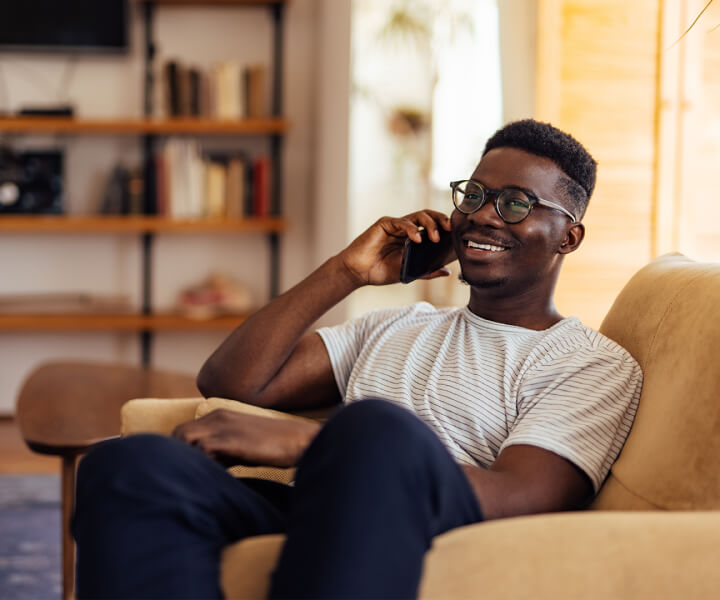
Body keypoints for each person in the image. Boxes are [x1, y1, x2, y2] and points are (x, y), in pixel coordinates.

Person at [73, 119, 642, 599]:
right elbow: (228, 381)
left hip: (418, 529)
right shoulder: (400, 324)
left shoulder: (590, 363)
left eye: (517, 203)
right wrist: (347, 272)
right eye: (473, 194)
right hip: (311, 507)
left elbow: (524, 496)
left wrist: (310, 445)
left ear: (569, 238)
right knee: (127, 468)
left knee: (378, 428)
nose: (485, 215)